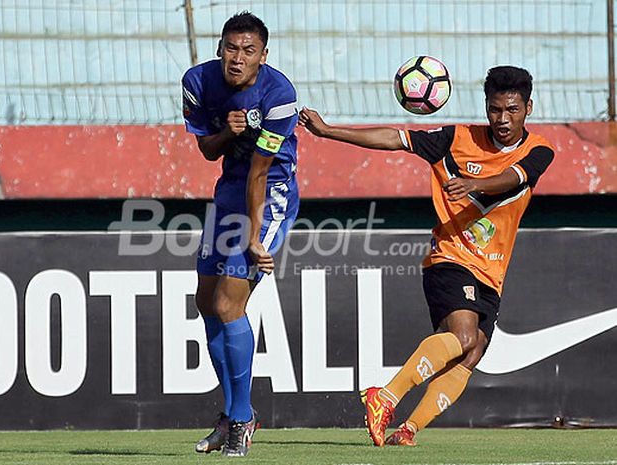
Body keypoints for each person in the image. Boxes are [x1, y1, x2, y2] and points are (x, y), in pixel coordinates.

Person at [299, 66, 553, 446]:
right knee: (464, 336)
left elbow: (516, 177)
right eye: (495, 109)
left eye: (512, 110)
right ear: (486, 106)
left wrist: (475, 184)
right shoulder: (456, 139)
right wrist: (329, 130)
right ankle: (384, 396)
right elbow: (395, 139)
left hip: (492, 272)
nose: (502, 119)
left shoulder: (540, 149)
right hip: (449, 259)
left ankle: (407, 429)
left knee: (471, 355)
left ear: (528, 107)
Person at [181, 11, 299, 457]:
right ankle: (233, 415)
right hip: (229, 190)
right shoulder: (197, 81)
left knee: (230, 302)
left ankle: (242, 419)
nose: (238, 57)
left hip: (269, 192)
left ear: (263, 56)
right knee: (206, 302)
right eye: (232, 47)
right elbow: (207, 151)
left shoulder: (279, 94)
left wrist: (253, 238)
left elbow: (260, 171)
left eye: (249, 51)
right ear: (219, 48)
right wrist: (226, 134)